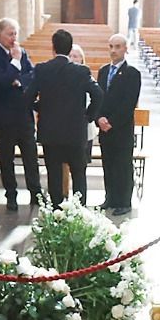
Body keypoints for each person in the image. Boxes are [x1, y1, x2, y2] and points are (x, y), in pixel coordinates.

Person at [30, 28, 104, 206]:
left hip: (51, 133)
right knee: (79, 174)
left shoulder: (42, 69)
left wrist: (41, 108)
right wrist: (88, 116)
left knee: (54, 174)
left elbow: (27, 97)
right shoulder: (81, 71)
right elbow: (98, 94)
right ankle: (79, 211)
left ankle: (56, 210)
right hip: (75, 132)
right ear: (69, 48)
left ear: (53, 48)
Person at [0, 17, 41, 211]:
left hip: (23, 114)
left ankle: (35, 192)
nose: (14, 38)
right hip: (3, 116)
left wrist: (18, 82)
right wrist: (15, 62)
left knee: (30, 156)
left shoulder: (21, 51)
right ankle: (11, 195)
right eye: (10, 34)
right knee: (6, 159)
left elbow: (32, 75)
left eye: (15, 33)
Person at [95, 33, 142, 215]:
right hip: (104, 127)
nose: (113, 51)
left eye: (118, 47)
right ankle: (110, 198)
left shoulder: (132, 73)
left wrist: (111, 122)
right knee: (108, 164)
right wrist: (99, 118)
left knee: (122, 165)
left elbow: (128, 103)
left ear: (125, 49)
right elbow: (98, 97)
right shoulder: (103, 71)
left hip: (121, 128)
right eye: (111, 46)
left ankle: (124, 202)